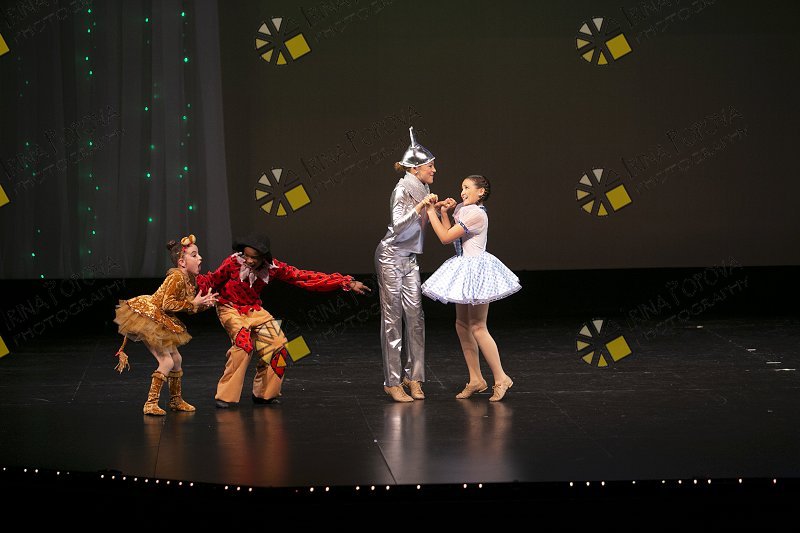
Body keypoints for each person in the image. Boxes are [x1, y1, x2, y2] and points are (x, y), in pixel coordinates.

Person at [197, 233, 371, 408]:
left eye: (254, 258)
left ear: (263, 257)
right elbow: (212, 280)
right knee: (244, 345)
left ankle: (265, 393)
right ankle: (225, 396)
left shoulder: (273, 268)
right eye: (247, 256)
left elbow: (303, 277)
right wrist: (192, 287)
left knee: (278, 345)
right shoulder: (232, 263)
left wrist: (345, 282)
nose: (249, 261)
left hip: (254, 309)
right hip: (230, 308)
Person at [422, 175, 521, 401]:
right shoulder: (462, 209)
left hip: (477, 270)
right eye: (462, 188)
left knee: (477, 326)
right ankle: (476, 379)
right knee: (461, 324)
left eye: (467, 187)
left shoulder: (477, 213)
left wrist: (430, 212)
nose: (462, 192)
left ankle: (501, 378)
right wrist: (443, 212)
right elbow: (452, 237)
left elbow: (445, 237)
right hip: (465, 267)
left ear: (481, 192)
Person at [375, 126, 446, 403]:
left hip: (409, 259)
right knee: (392, 320)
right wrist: (420, 207)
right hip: (391, 257)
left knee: (416, 318)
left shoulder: (423, 187)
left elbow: (420, 222)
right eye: (430, 166)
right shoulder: (402, 189)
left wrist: (438, 208)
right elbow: (397, 225)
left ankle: (414, 377)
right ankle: (392, 381)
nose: (434, 170)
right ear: (415, 169)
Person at [113, 234, 219, 415]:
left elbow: (187, 307)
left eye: (198, 254)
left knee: (177, 360)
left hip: (160, 318)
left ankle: (175, 400)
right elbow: (168, 304)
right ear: (182, 262)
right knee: (167, 361)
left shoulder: (189, 280)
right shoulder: (176, 277)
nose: (200, 258)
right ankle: (150, 403)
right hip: (150, 317)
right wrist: (193, 304)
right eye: (194, 255)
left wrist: (202, 305)